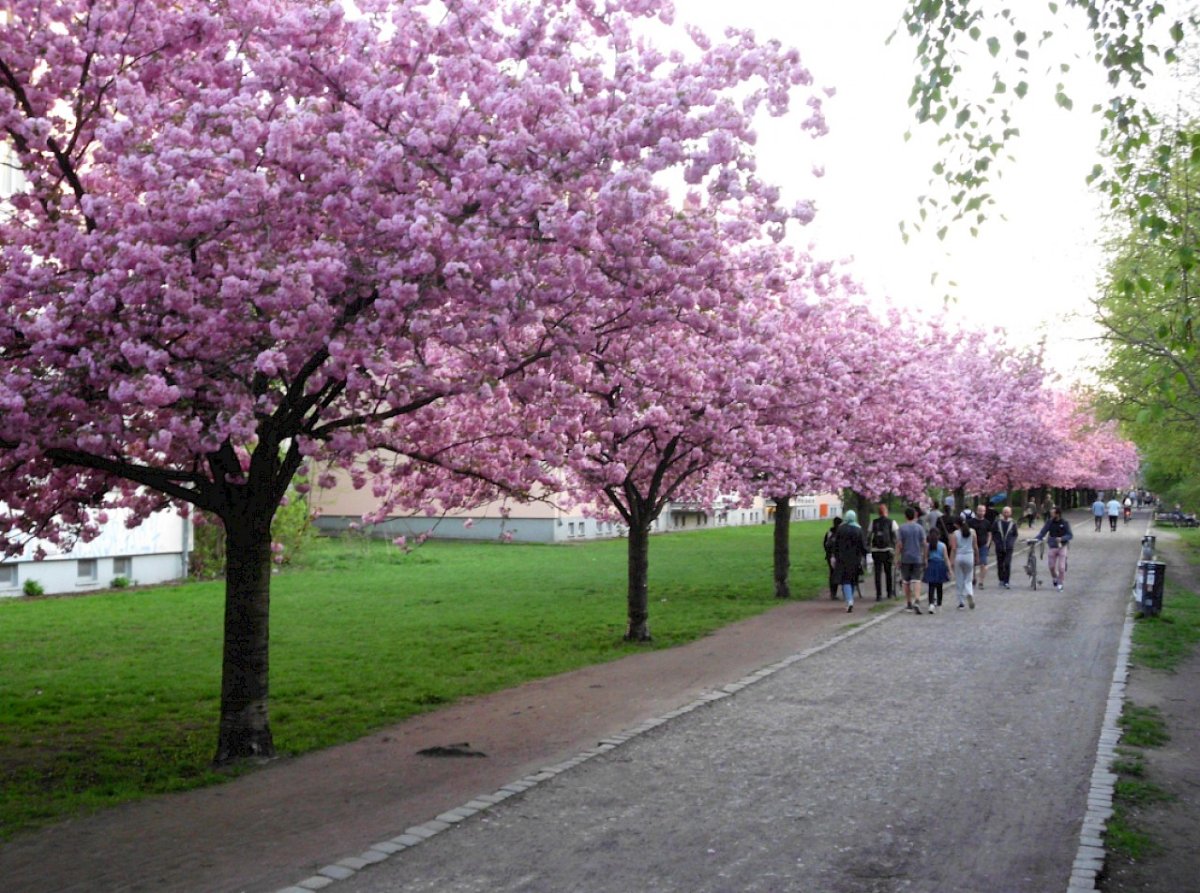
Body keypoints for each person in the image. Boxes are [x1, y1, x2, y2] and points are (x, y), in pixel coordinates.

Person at [832, 510, 867, 613]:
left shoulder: (840, 529)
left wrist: (834, 556)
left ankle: (849, 600)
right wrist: (866, 555)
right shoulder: (858, 529)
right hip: (855, 559)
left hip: (842, 558)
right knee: (852, 580)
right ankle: (850, 599)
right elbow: (862, 546)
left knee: (845, 580)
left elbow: (836, 544)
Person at [1034, 505, 1073, 590]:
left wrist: (1062, 538)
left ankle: (1060, 582)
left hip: (1062, 547)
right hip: (1052, 546)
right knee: (1051, 567)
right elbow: (1043, 532)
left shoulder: (1065, 522)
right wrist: (1035, 539)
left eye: (1052, 513)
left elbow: (1070, 535)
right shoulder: (1049, 522)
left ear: (1057, 514)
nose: (1051, 514)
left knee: (1061, 567)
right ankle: (1055, 577)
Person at [897, 506, 926, 614]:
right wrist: (925, 556)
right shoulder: (919, 528)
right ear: (914, 516)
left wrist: (897, 558)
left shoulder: (902, 528)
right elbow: (924, 543)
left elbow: (899, 544)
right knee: (917, 579)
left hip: (905, 557)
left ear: (905, 516)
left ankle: (909, 603)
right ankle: (917, 599)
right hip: (917, 556)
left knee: (906, 581)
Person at [867, 503, 899, 601]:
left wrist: (869, 546)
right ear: (886, 512)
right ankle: (889, 593)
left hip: (876, 550)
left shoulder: (874, 522)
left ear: (878, 512)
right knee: (888, 572)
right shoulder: (891, 522)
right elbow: (897, 536)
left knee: (877, 573)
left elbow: (869, 535)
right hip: (888, 550)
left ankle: (878, 595)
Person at [950, 515, 978, 609]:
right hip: (969, 556)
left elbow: (953, 549)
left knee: (959, 580)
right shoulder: (972, 532)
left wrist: (951, 561)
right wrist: (977, 557)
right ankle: (969, 593)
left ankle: (961, 602)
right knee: (968, 579)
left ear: (956, 524)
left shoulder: (955, 534)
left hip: (959, 556)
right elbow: (975, 546)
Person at [991, 505, 1019, 589]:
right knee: (1000, 564)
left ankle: (1007, 581)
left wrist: (1011, 542)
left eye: (1008, 512)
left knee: (1007, 564)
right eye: (1005, 512)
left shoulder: (1013, 523)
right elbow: (993, 533)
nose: (1006, 513)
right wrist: (996, 542)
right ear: (1002, 513)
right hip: (999, 546)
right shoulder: (997, 522)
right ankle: (1001, 579)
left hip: (1008, 547)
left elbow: (1015, 534)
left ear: (1010, 513)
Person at [922, 528, 950, 613]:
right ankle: (939, 603)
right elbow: (945, 558)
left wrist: (926, 565)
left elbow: (925, 557)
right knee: (939, 586)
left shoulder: (928, 545)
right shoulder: (942, 545)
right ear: (939, 536)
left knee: (931, 586)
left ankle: (931, 604)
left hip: (931, 565)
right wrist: (949, 568)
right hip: (940, 565)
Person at [969, 503, 992, 589]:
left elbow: (989, 533)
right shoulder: (970, 522)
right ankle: (973, 578)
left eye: (983, 511)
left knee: (983, 564)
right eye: (980, 510)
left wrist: (988, 543)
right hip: (972, 545)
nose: (981, 512)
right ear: (976, 511)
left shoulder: (987, 522)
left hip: (983, 545)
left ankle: (981, 581)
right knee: (973, 564)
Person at [823, 516, 842, 600]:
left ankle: (832, 593)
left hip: (829, 556)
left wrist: (828, 553)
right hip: (838, 556)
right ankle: (837, 591)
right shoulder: (841, 532)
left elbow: (825, 544)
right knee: (838, 573)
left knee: (832, 573)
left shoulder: (829, 532)